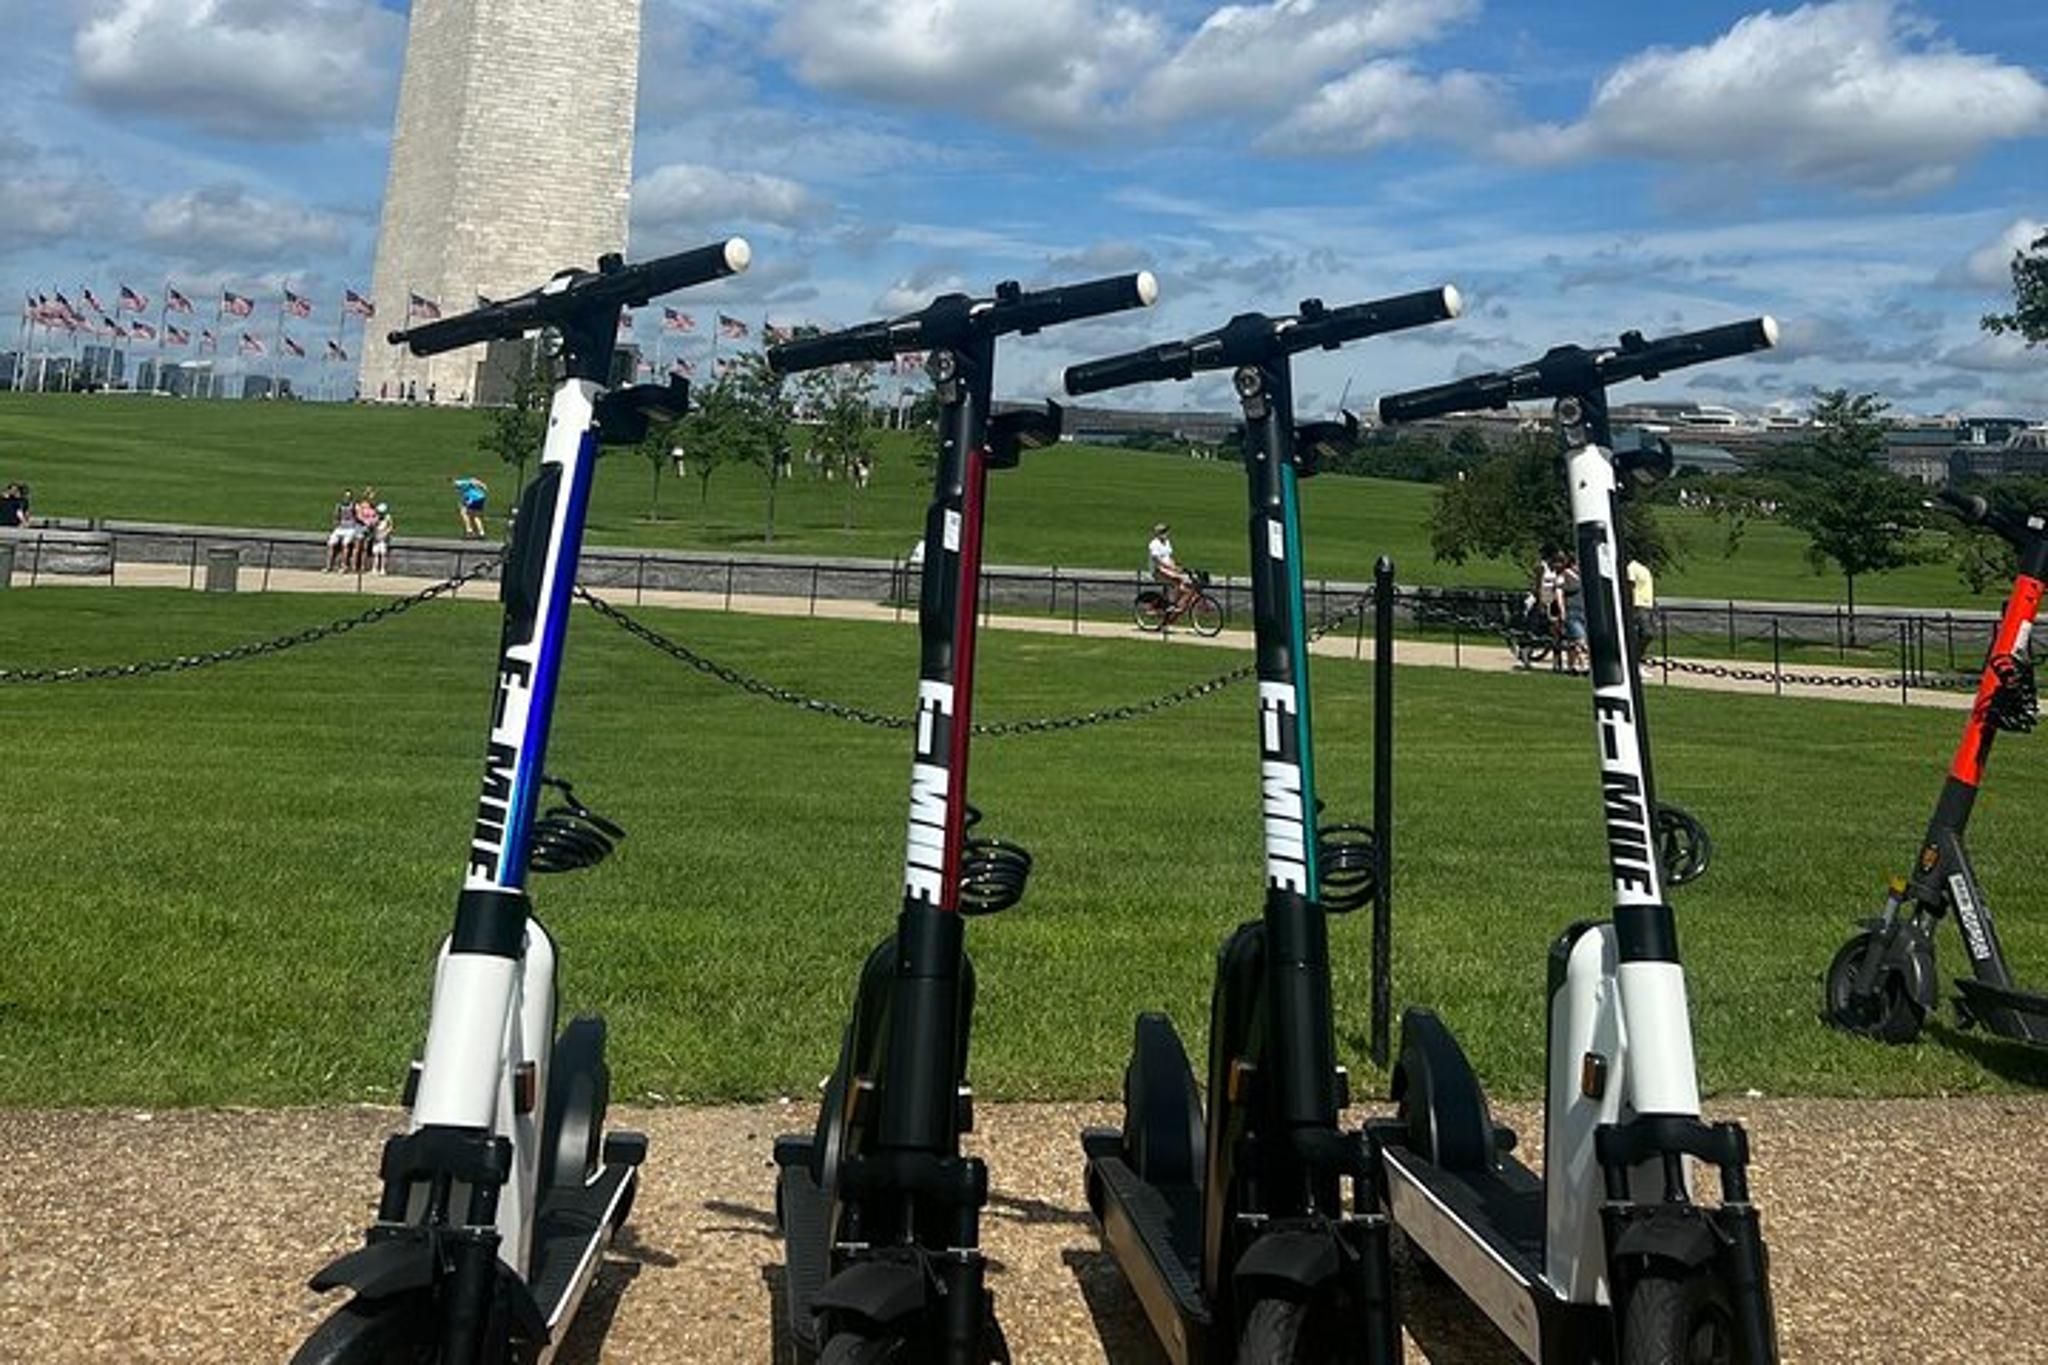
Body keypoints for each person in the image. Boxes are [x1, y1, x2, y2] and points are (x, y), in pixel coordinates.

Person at [1147, 522, 1196, 616]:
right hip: (1157, 570)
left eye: (1166, 531)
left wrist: (1176, 567)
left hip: (1167, 568)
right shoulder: (1154, 544)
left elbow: (1169, 557)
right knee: (1178, 580)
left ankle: (1173, 603)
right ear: (1158, 533)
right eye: (1163, 531)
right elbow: (1157, 561)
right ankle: (1172, 604)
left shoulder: (1167, 542)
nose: (1166, 533)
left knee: (1183, 581)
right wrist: (1171, 568)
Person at [1558, 550, 1589, 674]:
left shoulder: (1583, 577)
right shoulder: (1565, 575)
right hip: (1572, 612)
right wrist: (1562, 611)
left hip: (1584, 612)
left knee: (1574, 642)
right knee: (1580, 640)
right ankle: (1584, 665)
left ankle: (1572, 667)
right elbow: (1559, 593)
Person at [1627, 556, 1656, 659]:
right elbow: (1630, 585)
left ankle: (1637, 658)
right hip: (1638, 605)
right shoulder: (1632, 567)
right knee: (1645, 633)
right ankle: (1634, 659)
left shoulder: (1645, 569)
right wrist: (1630, 605)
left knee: (1648, 634)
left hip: (1647, 605)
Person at [325, 488, 357, 572]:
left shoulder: (353, 505)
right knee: (331, 543)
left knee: (345, 544)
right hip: (340, 528)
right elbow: (336, 516)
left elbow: (357, 516)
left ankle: (344, 566)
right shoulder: (339, 505)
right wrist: (336, 524)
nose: (347, 498)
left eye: (349, 496)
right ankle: (329, 565)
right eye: (346, 496)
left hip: (350, 528)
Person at [351, 491, 381, 573]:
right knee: (357, 547)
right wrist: (366, 522)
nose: (372, 499)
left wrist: (373, 522)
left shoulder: (374, 507)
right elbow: (358, 516)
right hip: (360, 528)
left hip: (369, 529)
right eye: (371, 497)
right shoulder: (362, 505)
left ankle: (362, 566)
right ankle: (354, 566)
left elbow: (376, 517)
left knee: (365, 548)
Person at [371, 503, 393, 575]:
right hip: (376, 537)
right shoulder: (376, 517)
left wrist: (386, 533)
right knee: (375, 553)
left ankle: (383, 569)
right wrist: (375, 521)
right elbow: (373, 526)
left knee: (383, 553)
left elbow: (391, 527)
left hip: (383, 537)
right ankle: (374, 568)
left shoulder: (387, 517)